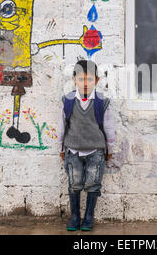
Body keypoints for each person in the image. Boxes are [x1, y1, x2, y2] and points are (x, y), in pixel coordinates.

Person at [57, 60, 115, 231]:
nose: (85, 83)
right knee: (74, 184)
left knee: (93, 184)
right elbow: (61, 125)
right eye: (81, 79)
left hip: (96, 151)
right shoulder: (67, 100)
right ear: (74, 79)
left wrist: (110, 149)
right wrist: (61, 147)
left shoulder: (102, 102)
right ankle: (75, 217)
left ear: (96, 81)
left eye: (89, 79)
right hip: (73, 151)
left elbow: (109, 128)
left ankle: (89, 217)